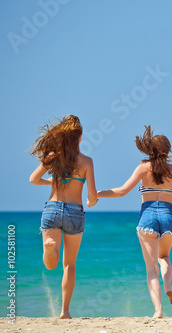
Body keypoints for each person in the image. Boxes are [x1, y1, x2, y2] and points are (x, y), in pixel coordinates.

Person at [97, 125, 172, 318]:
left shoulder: (143, 168)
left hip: (148, 217)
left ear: (150, 150)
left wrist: (96, 194)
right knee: (164, 257)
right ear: (168, 151)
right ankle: (168, 286)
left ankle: (158, 310)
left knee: (151, 269)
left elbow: (121, 191)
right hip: (168, 217)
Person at [29, 115, 98, 319]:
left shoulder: (53, 157)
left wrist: (51, 182)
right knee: (69, 265)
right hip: (74, 212)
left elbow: (33, 179)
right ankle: (65, 312)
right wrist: (91, 202)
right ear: (80, 138)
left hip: (52, 208)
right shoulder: (86, 161)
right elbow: (92, 195)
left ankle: (50, 247)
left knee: (50, 264)